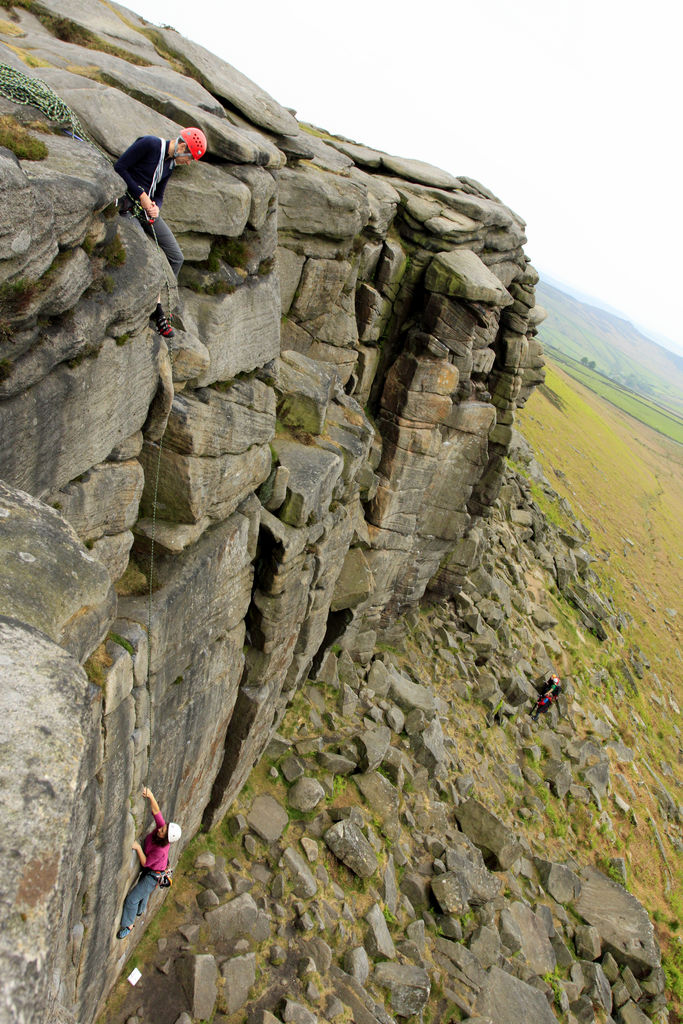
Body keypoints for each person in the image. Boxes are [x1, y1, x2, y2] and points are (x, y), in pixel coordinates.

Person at [114, 127, 207, 339]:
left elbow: (161, 194)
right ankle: (157, 311)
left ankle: (162, 300)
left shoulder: (169, 164)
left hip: (147, 212)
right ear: (182, 146)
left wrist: (156, 206)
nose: (189, 162)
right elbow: (120, 167)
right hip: (130, 206)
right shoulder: (150, 144)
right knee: (147, 257)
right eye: (190, 157)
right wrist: (141, 195)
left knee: (176, 257)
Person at [116, 786, 181, 939]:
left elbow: (145, 863)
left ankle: (129, 925)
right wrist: (151, 796)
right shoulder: (162, 830)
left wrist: (138, 848)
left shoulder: (161, 850)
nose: (160, 829)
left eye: (163, 830)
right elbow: (157, 812)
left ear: (166, 838)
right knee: (142, 893)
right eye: (163, 827)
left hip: (153, 875)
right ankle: (141, 910)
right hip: (154, 869)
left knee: (132, 899)